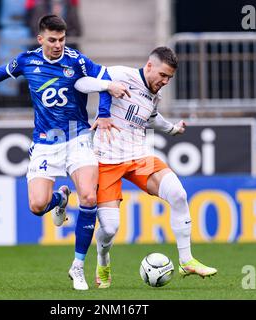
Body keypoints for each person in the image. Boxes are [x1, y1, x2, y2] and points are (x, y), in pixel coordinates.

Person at [0, 14, 129, 290]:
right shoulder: (28, 60)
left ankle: (77, 266)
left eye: (61, 39)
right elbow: (0, 72)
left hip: (78, 137)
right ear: (41, 39)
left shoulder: (76, 60)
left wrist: (105, 112)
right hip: (45, 143)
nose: (58, 45)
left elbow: (105, 80)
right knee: (37, 206)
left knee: (88, 196)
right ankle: (60, 199)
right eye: (52, 40)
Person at [75, 47, 218, 289]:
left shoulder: (154, 95)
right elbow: (81, 83)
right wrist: (107, 86)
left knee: (178, 194)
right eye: (163, 75)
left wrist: (172, 129)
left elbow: (151, 118)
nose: (165, 81)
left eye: (170, 78)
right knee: (109, 228)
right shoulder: (120, 74)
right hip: (106, 160)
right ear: (149, 66)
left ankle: (186, 260)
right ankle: (103, 259)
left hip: (138, 156)